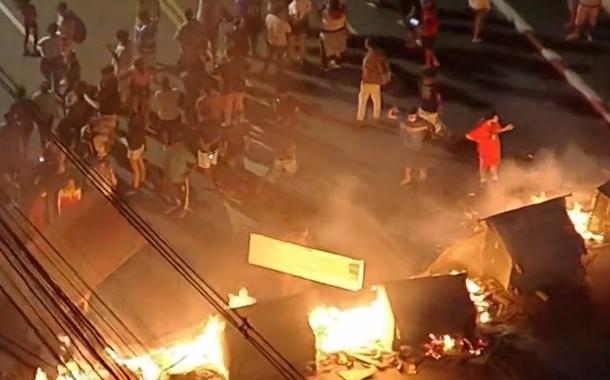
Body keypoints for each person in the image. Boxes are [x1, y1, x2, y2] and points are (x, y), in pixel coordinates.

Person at [388, 107, 433, 185]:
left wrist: (421, 129)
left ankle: (423, 176)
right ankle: (408, 177)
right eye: (410, 116)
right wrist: (392, 109)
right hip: (408, 146)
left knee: (421, 161)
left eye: (413, 116)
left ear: (417, 115)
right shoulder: (404, 119)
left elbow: (430, 128)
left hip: (420, 146)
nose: (411, 118)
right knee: (408, 162)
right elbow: (390, 116)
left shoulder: (422, 122)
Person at [465, 112, 515, 184]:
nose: (497, 119)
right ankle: (483, 180)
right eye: (495, 118)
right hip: (485, 150)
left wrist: (506, 129)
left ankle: (495, 178)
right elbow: (469, 135)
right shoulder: (483, 127)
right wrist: (477, 140)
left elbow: (497, 130)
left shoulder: (495, 125)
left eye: (497, 118)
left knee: (494, 164)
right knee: (483, 166)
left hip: (494, 149)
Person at [356, 38, 391, 123]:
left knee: (363, 100)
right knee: (377, 100)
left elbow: (367, 71)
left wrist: (364, 80)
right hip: (377, 81)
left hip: (368, 81)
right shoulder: (381, 54)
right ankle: (376, 116)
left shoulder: (369, 58)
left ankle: (360, 118)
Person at [163, 134, 197, 217]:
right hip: (172, 176)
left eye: (180, 144)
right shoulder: (169, 151)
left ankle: (184, 209)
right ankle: (175, 204)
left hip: (181, 177)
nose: (178, 146)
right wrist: (166, 174)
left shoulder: (184, 152)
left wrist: (189, 174)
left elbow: (195, 162)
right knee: (173, 192)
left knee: (184, 194)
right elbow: (166, 163)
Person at [216, 46, 248, 126]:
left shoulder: (224, 64)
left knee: (228, 105)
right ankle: (240, 120)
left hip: (229, 87)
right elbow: (248, 68)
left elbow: (217, 72)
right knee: (239, 104)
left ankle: (228, 122)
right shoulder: (241, 62)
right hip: (240, 86)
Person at [154, 76, 184, 148]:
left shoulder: (158, 94)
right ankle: (173, 140)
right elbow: (178, 90)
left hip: (163, 117)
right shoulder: (175, 93)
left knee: (165, 131)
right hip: (174, 116)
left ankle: (166, 143)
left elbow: (157, 92)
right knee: (174, 129)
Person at [32, 81, 64, 148]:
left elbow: (61, 101)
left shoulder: (52, 95)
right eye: (44, 87)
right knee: (42, 134)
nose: (45, 88)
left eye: (46, 87)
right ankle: (43, 146)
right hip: (41, 118)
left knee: (50, 133)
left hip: (51, 117)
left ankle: (49, 146)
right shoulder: (37, 97)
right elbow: (33, 107)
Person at [107, 29, 135, 103]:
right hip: (118, 69)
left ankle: (122, 104)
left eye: (120, 38)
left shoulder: (126, 49)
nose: (119, 40)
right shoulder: (123, 44)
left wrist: (111, 51)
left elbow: (119, 62)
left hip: (123, 71)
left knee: (122, 89)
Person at [262, 4, 292, 73]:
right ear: (280, 12)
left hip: (270, 41)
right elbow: (289, 30)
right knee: (280, 57)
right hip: (280, 43)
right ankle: (280, 71)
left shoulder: (268, 17)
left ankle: (265, 68)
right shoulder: (282, 22)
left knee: (269, 56)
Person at [125, 57, 153, 130]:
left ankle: (145, 124)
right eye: (141, 64)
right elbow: (127, 80)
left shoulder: (147, 72)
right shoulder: (133, 71)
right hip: (135, 92)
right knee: (134, 106)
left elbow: (148, 84)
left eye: (143, 64)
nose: (143, 66)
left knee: (145, 108)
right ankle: (131, 121)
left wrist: (147, 92)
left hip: (144, 92)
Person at [197, 0, 228, 66]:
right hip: (211, 26)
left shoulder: (203, 2)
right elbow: (223, 10)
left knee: (205, 47)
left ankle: (206, 63)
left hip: (205, 26)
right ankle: (213, 63)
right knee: (212, 46)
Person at [37, 23, 66, 92]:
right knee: (52, 77)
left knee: (53, 77)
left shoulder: (46, 40)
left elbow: (38, 46)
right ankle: (53, 86)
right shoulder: (48, 40)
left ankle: (53, 87)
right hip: (53, 60)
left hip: (53, 60)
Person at [319, 0, 347, 69]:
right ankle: (338, 61)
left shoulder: (325, 12)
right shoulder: (342, 12)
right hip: (339, 32)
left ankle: (325, 65)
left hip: (327, 34)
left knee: (322, 40)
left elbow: (322, 21)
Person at [417, 70, 445, 135]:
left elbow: (438, 97)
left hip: (427, 110)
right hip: (429, 110)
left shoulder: (431, 88)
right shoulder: (430, 88)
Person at [126, 113, 147, 193]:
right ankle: (143, 178)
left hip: (133, 150)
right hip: (140, 147)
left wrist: (131, 154)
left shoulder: (131, 132)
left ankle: (135, 186)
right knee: (141, 162)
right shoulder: (140, 129)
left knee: (135, 171)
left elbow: (130, 143)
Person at [97, 65, 121, 136]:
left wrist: (99, 94)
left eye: (104, 74)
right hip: (108, 109)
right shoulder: (106, 82)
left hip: (108, 110)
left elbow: (103, 95)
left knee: (107, 128)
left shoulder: (111, 82)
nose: (103, 76)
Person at [420, 0, 439, 68]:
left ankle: (428, 64)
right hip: (425, 32)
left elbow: (433, 23)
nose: (424, 4)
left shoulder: (431, 14)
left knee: (428, 49)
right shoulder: (425, 10)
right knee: (428, 48)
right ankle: (435, 61)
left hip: (430, 33)